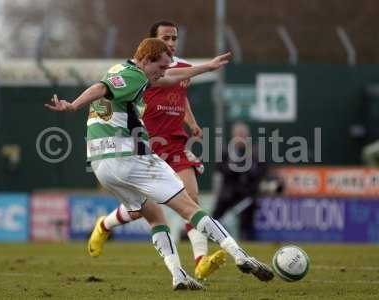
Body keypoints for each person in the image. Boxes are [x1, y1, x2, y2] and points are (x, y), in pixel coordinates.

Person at [45, 38, 273, 291]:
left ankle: (178, 275)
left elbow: (166, 79)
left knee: (154, 215)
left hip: (102, 166)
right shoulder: (135, 76)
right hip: (130, 157)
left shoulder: (122, 71)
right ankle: (240, 254)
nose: (163, 72)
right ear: (146, 59)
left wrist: (205, 68)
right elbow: (100, 88)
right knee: (189, 207)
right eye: (161, 67)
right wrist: (73, 105)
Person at [94, 20, 225, 281]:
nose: (172, 43)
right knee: (142, 210)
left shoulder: (182, 67)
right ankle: (104, 225)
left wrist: (192, 122)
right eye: (166, 38)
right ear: (153, 43)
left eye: (174, 38)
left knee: (191, 198)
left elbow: (182, 93)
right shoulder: (143, 71)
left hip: (174, 142)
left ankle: (200, 260)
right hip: (144, 142)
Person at [212, 122, 268, 240]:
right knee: (215, 218)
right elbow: (222, 169)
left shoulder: (255, 153)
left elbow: (261, 171)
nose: (241, 137)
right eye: (238, 134)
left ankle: (247, 240)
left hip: (247, 194)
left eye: (243, 134)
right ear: (233, 136)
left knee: (247, 221)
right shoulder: (226, 152)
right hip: (228, 193)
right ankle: (212, 238)